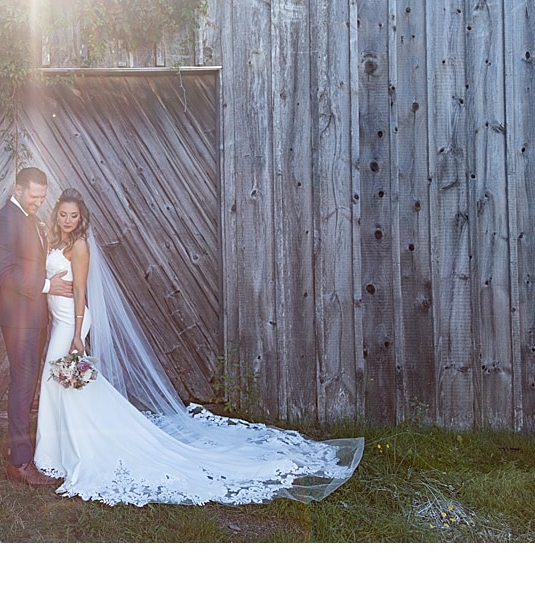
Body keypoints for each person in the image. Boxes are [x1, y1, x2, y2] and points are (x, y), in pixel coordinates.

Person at [34, 188, 365, 506]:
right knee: (65, 387)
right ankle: (62, 450)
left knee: (56, 383)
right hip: (58, 320)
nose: (67, 220)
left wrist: (78, 334)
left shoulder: (78, 246)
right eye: (62, 214)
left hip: (71, 322)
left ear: (81, 219)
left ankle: (61, 453)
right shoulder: (56, 239)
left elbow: (80, 292)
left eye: (73, 216)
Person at [0, 167, 72, 486]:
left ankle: (16, 449)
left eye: (42, 196)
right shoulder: (3, 221)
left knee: (27, 382)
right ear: (18, 189)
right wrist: (49, 286)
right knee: (23, 384)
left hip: (35, 317)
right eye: (34, 196)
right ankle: (20, 463)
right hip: (18, 319)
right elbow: (5, 274)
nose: (39, 201)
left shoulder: (31, 219)